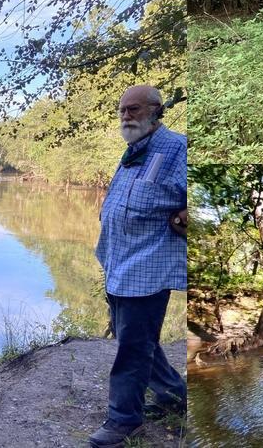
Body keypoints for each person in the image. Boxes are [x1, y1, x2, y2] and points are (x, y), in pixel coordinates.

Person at [89, 86, 187, 448]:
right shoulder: (133, 149)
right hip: (118, 261)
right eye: (122, 111)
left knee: (132, 346)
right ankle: (173, 395)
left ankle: (123, 420)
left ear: (155, 111)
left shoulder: (178, 148)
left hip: (147, 267)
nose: (126, 116)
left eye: (134, 109)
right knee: (134, 336)